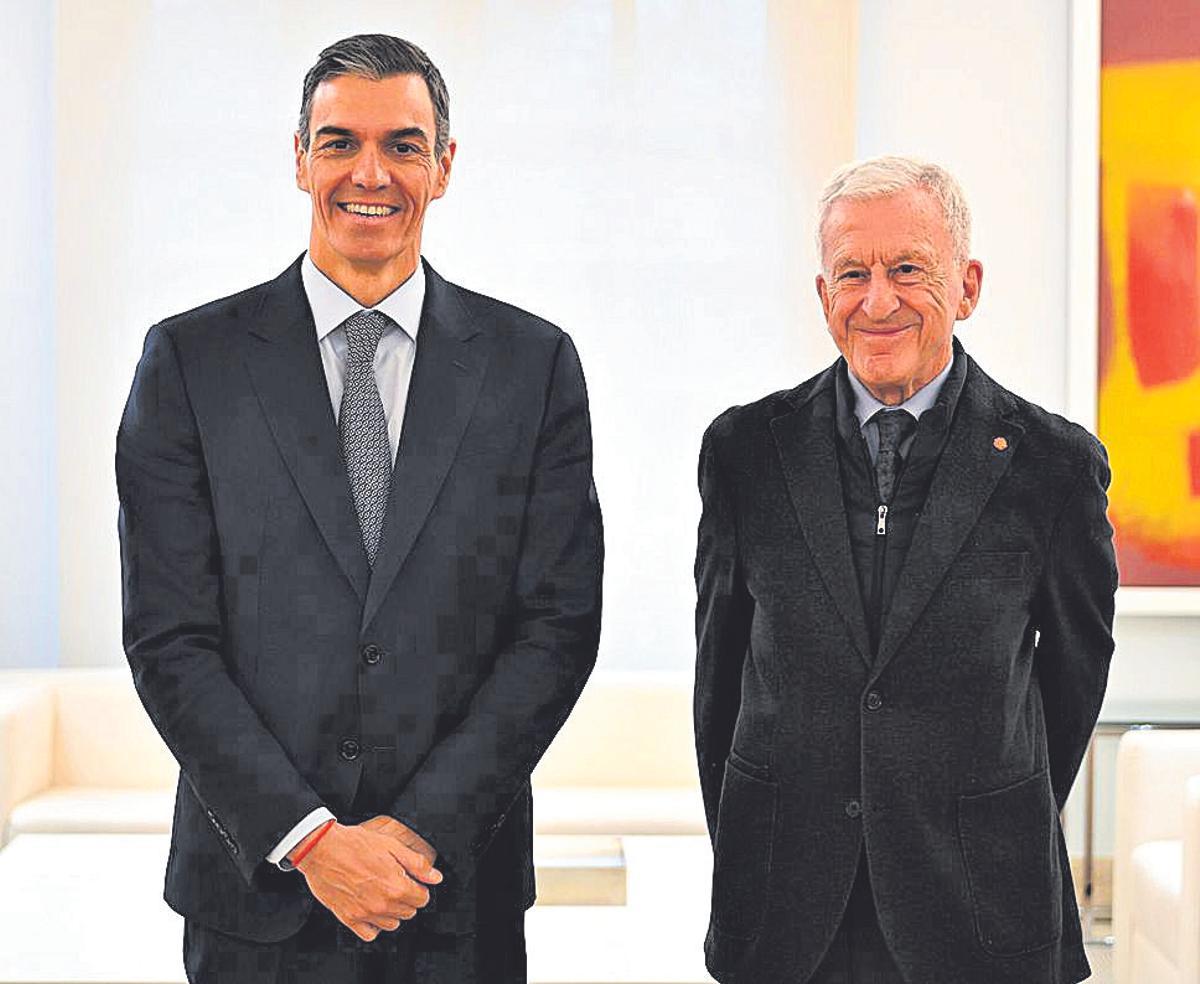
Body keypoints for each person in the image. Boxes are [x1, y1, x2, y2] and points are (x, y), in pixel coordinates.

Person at [116, 33, 603, 984]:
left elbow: (557, 627)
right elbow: (169, 638)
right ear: (299, 158)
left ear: (445, 166)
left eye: (403, 145)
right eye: (339, 142)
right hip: (256, 899)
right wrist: (310, 841)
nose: (369, 173)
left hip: (455, 897)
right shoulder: (190, 363)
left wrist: (416, 835)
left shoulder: (533, 366)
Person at [693, 155, 1116, 984]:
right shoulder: (744, 452)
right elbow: (721, 679)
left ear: (967, 287)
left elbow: (1072, 686)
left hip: (979, 907)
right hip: (786, 902)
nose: (877, 300)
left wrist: (991, 814)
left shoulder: (1054, 466)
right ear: (823, 297)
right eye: (852, 273)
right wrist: (753, 828)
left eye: (908, 269)